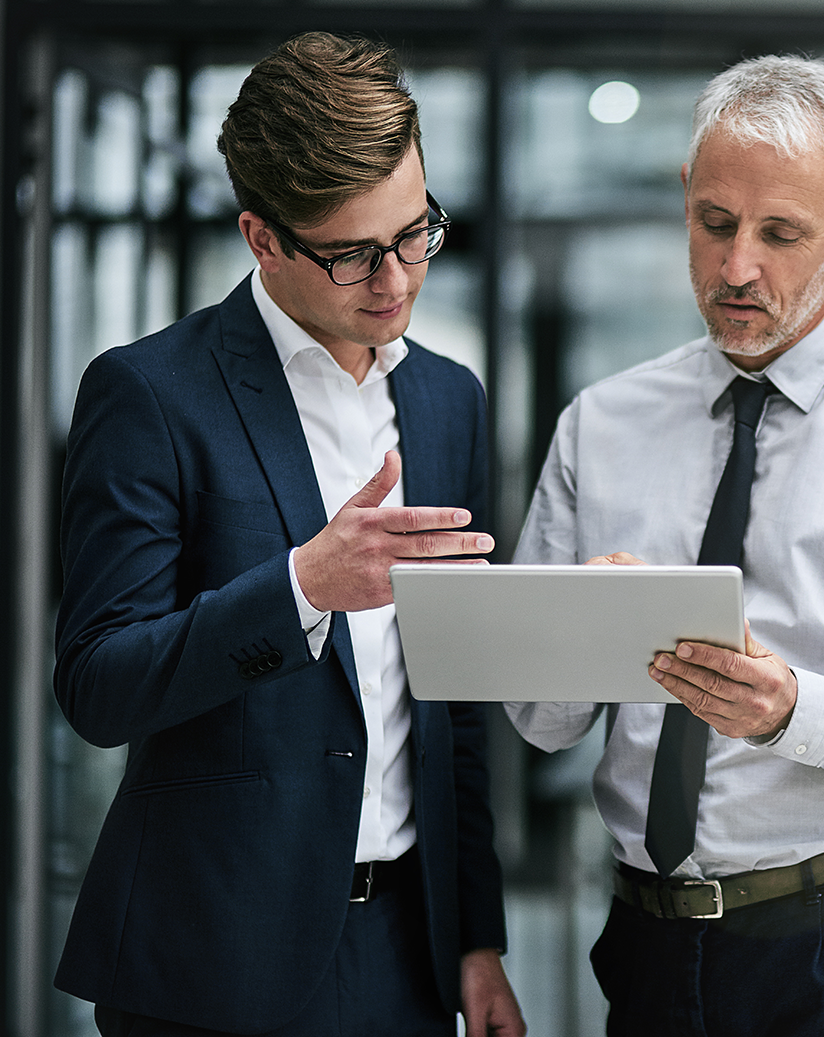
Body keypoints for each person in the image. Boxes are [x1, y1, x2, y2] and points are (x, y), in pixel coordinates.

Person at [506, 55, 824, 1037]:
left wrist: (795, 710)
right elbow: (540, 721)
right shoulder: (601, 422)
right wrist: (576, 633)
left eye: (781, 233)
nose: (738, 267)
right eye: (714, 223)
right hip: (647, 942)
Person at [52, 32, 524, 1037]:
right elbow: (98, 683)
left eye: (415, 232)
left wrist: (475, 939)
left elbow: (456, 708)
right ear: (263, 238)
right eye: (353, 254)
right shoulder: (148, 394)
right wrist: (304, 584)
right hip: (210, 962)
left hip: (408, 953)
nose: (396, 280)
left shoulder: (450, 400)